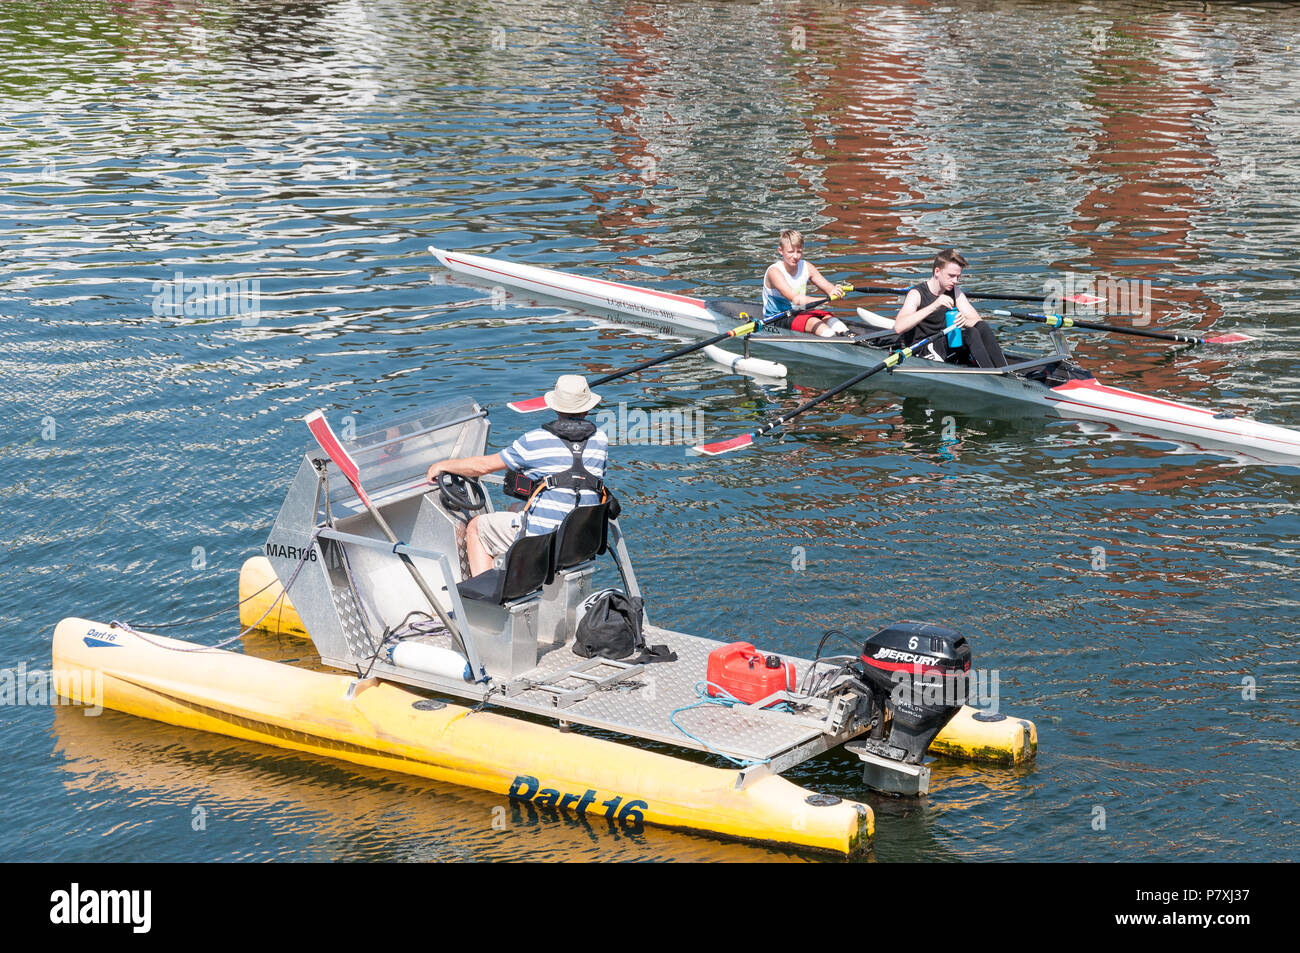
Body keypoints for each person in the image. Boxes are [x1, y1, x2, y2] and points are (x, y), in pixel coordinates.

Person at [426, 375, 608, 577]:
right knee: (516, 509)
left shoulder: (535, 440)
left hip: (545, 541)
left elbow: (484, 466)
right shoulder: (600, 439)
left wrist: (442, 465)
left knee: (477, 528)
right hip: (579, 538)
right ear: (588, 408)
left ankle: (484, 595)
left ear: (555, 407)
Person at [894, 249, 1008, 368]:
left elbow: (977, 321)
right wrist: (934, 306)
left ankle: (1004, 371)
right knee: (971, 333)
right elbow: (899, 327)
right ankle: (992, 377)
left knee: (979, 328)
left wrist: (964, 320)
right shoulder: (916, 294)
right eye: (951, 276)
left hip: (946, 344)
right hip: (924, 348)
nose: (955, 281)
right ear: (937, 271)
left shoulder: (954, 291)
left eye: (958, 277)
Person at [762, 229, 852, 337]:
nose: (795, 256)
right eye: (790, 252)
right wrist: (823, 300)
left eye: (799, 251)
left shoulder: (806, 267)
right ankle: (835, 342)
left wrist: (835, 290)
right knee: (815, 323)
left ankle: (850, 336)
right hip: (777, 318)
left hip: (799, 312)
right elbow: (796, 299)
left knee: (831, 318)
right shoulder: (774, 272)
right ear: (780, 250)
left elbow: (828, 287)